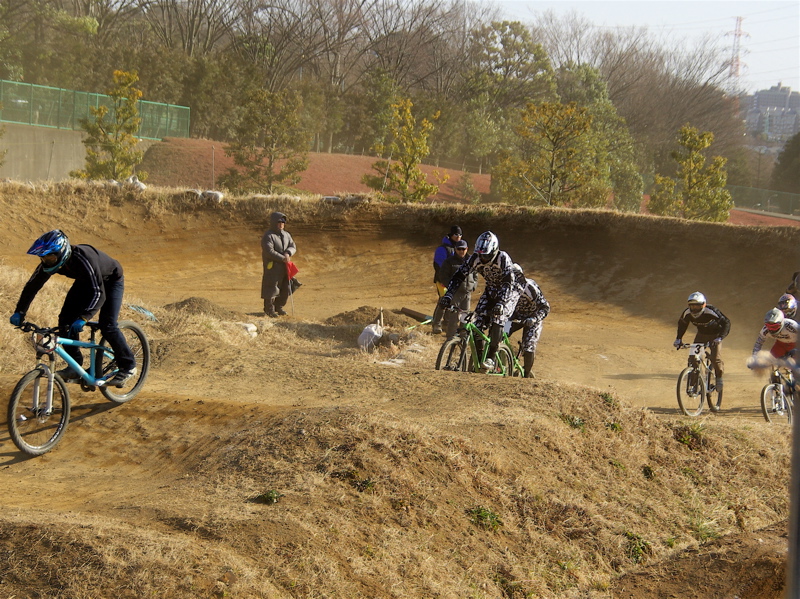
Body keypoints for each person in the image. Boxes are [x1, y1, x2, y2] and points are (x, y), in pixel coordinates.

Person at [9, 230, 136, 386]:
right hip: (86, 281)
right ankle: (75, 366)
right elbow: (32, 287)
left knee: (107, 325)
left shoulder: (84, 259)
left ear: (61, 252)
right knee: (65, 321)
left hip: (111, 281)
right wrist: (20, 311)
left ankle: (128, 366)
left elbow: (99, 294)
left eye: (50, 258)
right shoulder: (50, 263)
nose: (46, 262)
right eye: (43, 258)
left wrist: (84, 318)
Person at [439, 230, 524, 371]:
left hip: (510, 291)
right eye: (481, 255)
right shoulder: (475, 258)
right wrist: (448, 295)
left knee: (498, 318)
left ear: (494, 250)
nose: (483, 259)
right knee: (477, 322)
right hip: (491, 290)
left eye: (486, 255)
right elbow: (459, 276)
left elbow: (508, 282)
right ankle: (479, 361)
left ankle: (491, 358)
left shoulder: (502, 258)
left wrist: (502, 303)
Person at [673, 291, 730, 411]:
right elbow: (682, 324)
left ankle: (719, 376)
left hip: (715, 335)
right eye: (692, 305)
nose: (694, 308)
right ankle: (694, 383)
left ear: (703, 305)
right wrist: (678, 339)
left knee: (715, 358)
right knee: (693, 359)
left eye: (697, 306)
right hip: (701, 335)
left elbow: (726, 322)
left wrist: (720, 337)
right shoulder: (687, 313)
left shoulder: (711, 311)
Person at [508, 276, 550, 378]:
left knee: (529, 344)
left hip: (532, 317)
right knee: (499, 334)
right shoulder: (506, 286)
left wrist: (535, 318)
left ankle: (526, 375)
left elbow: (545, 307)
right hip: (515, 316)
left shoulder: (530, 288)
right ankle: (502, 361)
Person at [438, 239, 478, 338]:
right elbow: (443, 276)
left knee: (465, 317)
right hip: (455, 294)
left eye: (463, 249)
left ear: (467, 249)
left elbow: (475, 275)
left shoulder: (471, 261)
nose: (461, 251)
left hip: (467, 293)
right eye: (459, 249)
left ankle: (463, 338)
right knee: (454, 316)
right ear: (455, 249)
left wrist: (473, 286)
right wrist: (451, 287)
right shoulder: (449, 261)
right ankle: (450, 337)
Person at [261, 211, 296, 317]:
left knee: (286, 287)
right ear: (273, 222)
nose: (281, 224)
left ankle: (279, 306)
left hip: (285, 267)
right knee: (271, 288)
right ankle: (269, 309)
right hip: (273, 266)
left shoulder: (287, 235)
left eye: (283, 222)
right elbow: (269, 251)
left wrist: (288, 253)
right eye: (279, 222)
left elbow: (293, 246)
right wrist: (282, 258)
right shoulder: (268, 236)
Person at [430, 225, 462, 334]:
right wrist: (444, 279)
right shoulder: (442, 249)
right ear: (451, 235)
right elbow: (438, 265)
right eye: (456, 234)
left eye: (460, 235)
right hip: (442, 279)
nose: (458, 237)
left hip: (454, 280)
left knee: (453, 301)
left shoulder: (459, 248)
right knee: (444, 300)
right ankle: (436, 324)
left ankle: (446, 323)